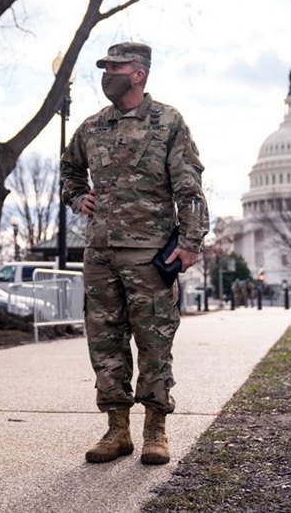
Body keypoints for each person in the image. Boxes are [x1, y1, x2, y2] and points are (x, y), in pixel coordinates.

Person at [60, 42, 209, 465]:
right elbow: (68, 169)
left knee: (154, 341)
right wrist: (77, 197)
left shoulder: (168, 121)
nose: (107, 73)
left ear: (138, 73)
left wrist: (190, 241)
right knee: (105, 344)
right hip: (100, 252)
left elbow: (188, 185)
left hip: (149, 255)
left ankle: (156, 430)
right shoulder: (92, 127)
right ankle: (117, 430)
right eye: (104, 67)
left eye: (115, 67)